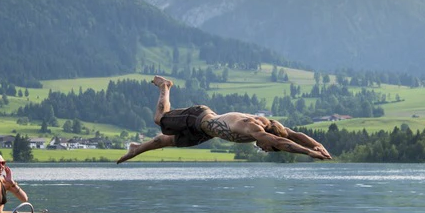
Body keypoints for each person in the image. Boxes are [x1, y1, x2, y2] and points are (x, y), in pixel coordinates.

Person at [117, 76, 333, 163]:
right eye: (268, 148)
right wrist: (309, 152)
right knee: (160, 120)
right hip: (198, 116)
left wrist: (318, 144)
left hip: (205, 132)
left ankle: (136, 148)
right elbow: (281, 142)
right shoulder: (253, 128)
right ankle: (165, 86)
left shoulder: (273, 127)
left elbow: (294, 135)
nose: (265, 149)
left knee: (167, 139)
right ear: (268, 139)